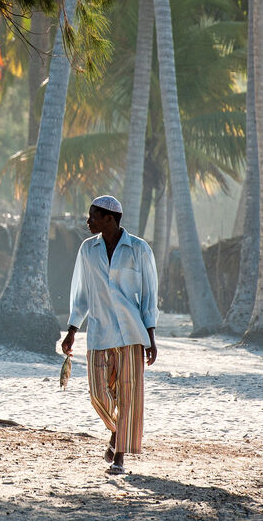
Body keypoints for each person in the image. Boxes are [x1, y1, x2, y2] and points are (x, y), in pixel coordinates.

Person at [60, 195, 158, 475]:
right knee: (98, 394)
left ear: (110, 219)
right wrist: (72, 330)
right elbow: (80, 293)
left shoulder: (139, 249)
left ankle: (119, 457)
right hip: (100, 333)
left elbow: (149, 296)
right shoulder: (87, 250)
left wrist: (151, 337)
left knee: (129, 397)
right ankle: (118, 431)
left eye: (93, 216)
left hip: (132, 334)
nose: (87, 221)